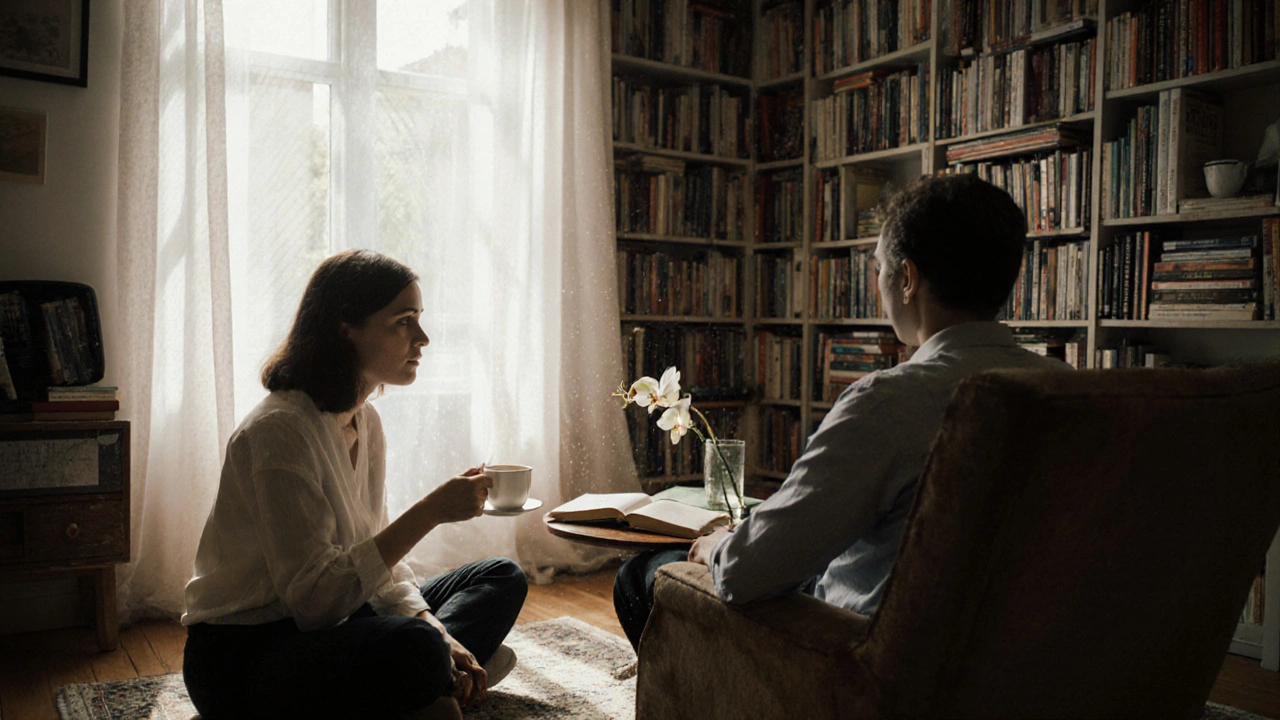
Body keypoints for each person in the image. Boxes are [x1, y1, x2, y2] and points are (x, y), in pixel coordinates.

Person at [614, 174, 1072, 649]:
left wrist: (716, 548)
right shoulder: (1074, 392)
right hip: (1021, 657)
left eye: (879, 268)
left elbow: (749, 573)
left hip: (866, 662)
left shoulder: (892, 403)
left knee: (640, 575)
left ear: (908, 279)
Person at [181, 250, 527, 720]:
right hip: (245, 655)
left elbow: (375, 568)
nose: (423, 339)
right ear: (346, 327)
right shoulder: (278, 432)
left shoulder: (367, 423)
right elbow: (315, 603)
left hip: (336, 624)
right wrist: (429, 512)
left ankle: (432, 679)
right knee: (414, 646)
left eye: (419, 320)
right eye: (404, 321)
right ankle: (429, 683)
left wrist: (440, 632)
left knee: (500, 578)